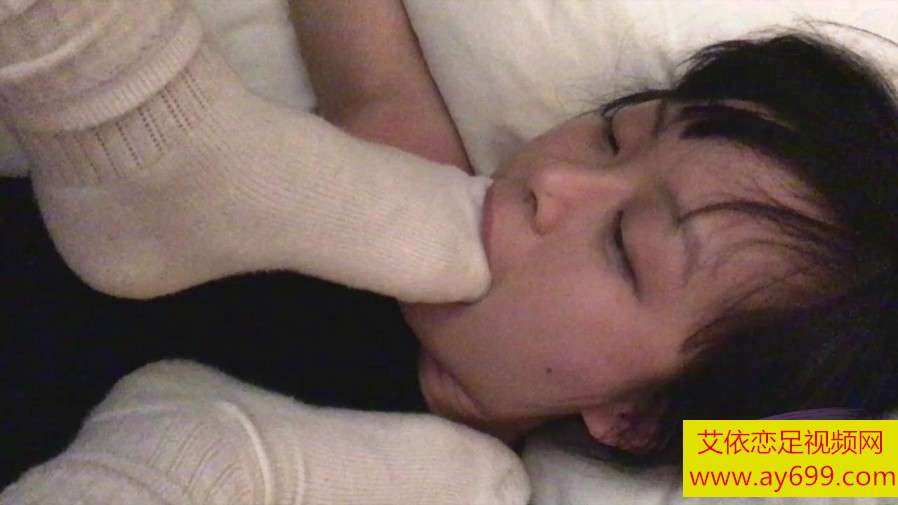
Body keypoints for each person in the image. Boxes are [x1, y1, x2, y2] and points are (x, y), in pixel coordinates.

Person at [3, 0, 898, 503]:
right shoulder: (406, 163)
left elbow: (859, 457)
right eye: (614, 135)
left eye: (626, 246)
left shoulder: (466, 479)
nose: (557, 181)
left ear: (633, 417)